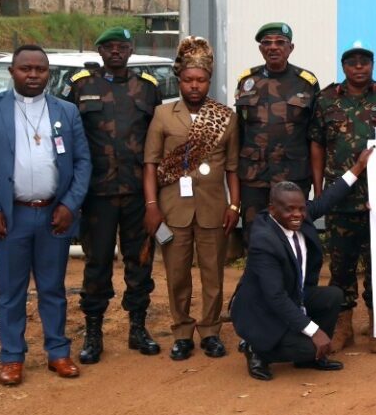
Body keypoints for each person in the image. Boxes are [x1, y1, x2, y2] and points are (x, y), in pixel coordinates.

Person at [0, 44, 91, 385]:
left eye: (40, 69)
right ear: (12, 72)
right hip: (10, 216)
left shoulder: (65, 111)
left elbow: (82, 162)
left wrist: (69, 204)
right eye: (26, 69)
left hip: (54, 214)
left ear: (48, 73)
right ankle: (11, 358)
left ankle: (58, 353)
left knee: (53, 288)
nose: (33, 75)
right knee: (11, 291)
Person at [66, 26, 164, 363]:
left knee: (140, 262)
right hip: (98, 195)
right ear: (99, 51)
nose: (116, 52)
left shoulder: (148, 89)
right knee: (97, 264)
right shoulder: (81, 86)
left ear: (132, 49)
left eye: (122, 46)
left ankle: (138, 328)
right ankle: (93, 333)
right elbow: (70, 140)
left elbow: (158, 142)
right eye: (108, 46)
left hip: (138, 194)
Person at [144, 37, 241, 361]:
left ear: (209, 81)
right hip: (174, 209)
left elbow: (232, 168)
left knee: (213, 273)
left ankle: (211, 330)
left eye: (200, 80)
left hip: (213, 208)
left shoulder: (225, 116)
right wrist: (152, 206)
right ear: (179, 80)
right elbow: (151, 165)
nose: (194, 86)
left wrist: (234, 204)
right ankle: (182, 331)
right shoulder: (162, 114)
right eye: (188, 80)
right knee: (177, 273)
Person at [231, 160, 369, 381]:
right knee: (310, 346)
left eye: (301, 208)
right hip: (263, 311)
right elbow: (275, 297)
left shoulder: (300, 216)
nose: (297, 214)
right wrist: (314, 331)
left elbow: (329, 198)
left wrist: (359, 167)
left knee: (333, 296)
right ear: (273, 209)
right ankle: (256, 349)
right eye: (290, 209)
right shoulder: (263, 241)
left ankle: (309, 358)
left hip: (292, 296)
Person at [310, 40, 376, 355]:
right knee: (341, 267)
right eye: (352, 62)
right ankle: (342, 327)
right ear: (343, 65)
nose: (358, 67)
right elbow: (317, 144)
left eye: (364, 61)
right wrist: (319, 190)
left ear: (373, 65)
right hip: (341, 198)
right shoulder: (325, 100)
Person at [233, 22, 320, 227]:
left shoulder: (306, 82)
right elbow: (239, 131)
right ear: (260, 49)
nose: (273, 47)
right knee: (254, 237)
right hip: (254, 179)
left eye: (280, 42)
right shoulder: (248, 80)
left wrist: (318, 189)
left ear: (290, 48)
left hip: (293, 175)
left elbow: (315, 135)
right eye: (267, 43)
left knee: (293, 234)